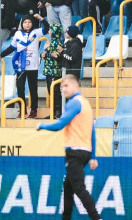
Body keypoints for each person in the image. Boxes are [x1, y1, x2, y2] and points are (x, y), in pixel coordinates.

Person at [36, 73, 100, 220]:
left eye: (66, 85)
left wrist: (42, 125)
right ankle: (66, 217)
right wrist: (93, 157)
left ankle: (97, 218)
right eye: (61, 87)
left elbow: (60, 125)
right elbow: (92, 132)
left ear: (75, 85)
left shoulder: (74, 103)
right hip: (84, 152)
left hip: (75, 152)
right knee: (68, 187)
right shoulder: (85, 104)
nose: (63, 89)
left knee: (78, 188)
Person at [10, 15, 42, 119]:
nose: (27, 24)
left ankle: (33, 110)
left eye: (29, 22)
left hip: (32, 66)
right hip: (20, 66)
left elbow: (46, 28)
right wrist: (0, 55)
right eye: (25, 22)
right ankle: (22, 110)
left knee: (33, 89)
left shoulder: (36, 33)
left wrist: (41, 19)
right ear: (22, 24)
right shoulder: (18, 34)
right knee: (20, 88)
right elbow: (12, 47)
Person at [42, 24, 65, 118]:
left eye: (51, 30)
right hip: (49, 70)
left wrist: (47, 51)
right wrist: (44, 53)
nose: (49, 32)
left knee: (55, 91)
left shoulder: (59, 42)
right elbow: (46, 54)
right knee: (50, 91)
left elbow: (57, 55)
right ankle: (53, 111)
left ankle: (58, 112)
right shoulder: (51, 42)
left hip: (54, 71)